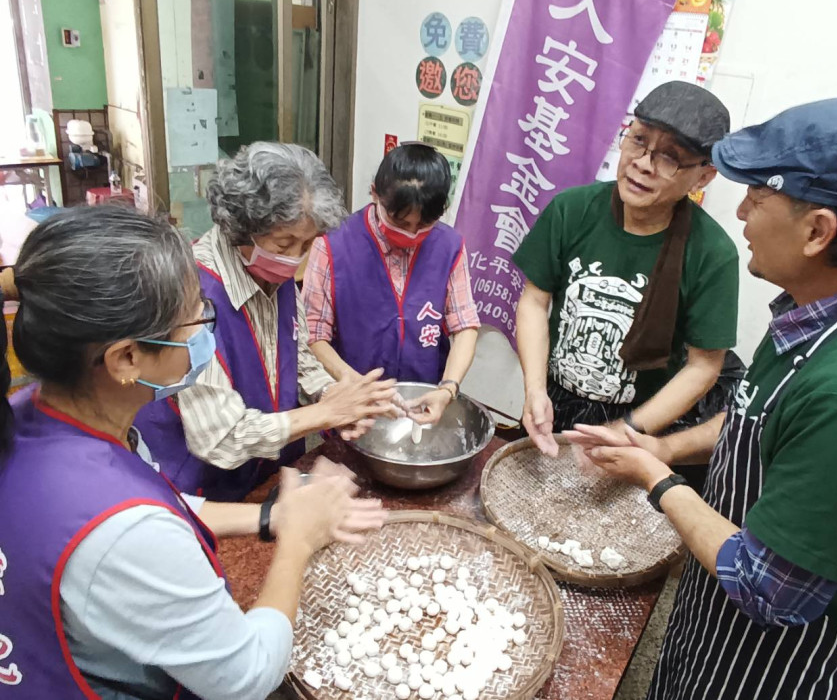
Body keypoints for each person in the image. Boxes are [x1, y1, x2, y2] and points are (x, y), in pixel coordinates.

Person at [567, 98, 837, 700]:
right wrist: (661, 444)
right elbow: (755, 420)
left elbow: (770, 588)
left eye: (757, 197)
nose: (741, 211)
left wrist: (656, 477)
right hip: (716, 614)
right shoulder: (823, 309)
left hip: (784, 662)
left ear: (818, 230)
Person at [0, 205, 387, 699]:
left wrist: (270, 515)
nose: (205, 336)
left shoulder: (31, 412)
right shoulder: (124, 532)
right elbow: (245, 677)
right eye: (196, 321)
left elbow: (158, 504)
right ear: (126, 358)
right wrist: (298, 539)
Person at [134, 142, 399, 502]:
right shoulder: (190, 295)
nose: (294, 260)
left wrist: (333, 394)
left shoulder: (276, 275)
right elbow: (221, 438)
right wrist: (325, 413)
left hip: (268, 473)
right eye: (283, 243)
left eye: (307, 245)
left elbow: (298, 356)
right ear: (240, 226)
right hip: (202, 488)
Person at [513, 81, 741, 465]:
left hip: (643, 421)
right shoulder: (572, 210)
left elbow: (705, 366)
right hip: (556, 404)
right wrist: (535, 390)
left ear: (703, 177)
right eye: (638, 140)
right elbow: (535, 302)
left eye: (669, 158)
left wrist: (628, 430)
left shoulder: (712, 253)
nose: (643, 164)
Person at [303, 142, 480, 425]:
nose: (411, 233)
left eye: (423, 225)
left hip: (422, 401)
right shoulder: (333, 246)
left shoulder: (450, 247)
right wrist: (357, 386)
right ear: (375, 193)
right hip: (353, 406)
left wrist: (448, 388)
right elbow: (313, 334)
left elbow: (465, 326)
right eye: (399, 222)